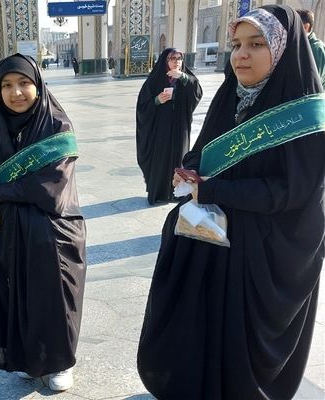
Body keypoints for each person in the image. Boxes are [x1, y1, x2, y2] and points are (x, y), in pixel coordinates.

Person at [137, 5, 325, 399]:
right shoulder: (230, 96)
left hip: (265, 250)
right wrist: (188, 170)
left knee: (238, 341)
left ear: (282, 48)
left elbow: (291, 192)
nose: (241, 54)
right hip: (214, 238)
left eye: (256, 44)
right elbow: (204, 151)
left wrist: (216, 190)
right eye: (236, 44)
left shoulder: (304, 114)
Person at [0, 53, 86, 392]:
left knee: (51, 299)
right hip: (4, 234)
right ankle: (27, 358)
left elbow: (53, 186)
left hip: (51, 235)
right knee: (14, 297)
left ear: (38, 86)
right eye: (7, 85)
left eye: (24, 83)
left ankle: (58, 361)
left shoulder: (57, 126)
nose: (16, 92)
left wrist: (2, 189)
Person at [135, 48, 203, 204]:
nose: (176, 61)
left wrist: (184, 78)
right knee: (160, 158)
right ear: (165, 61)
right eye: (173, 58)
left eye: (179, 58)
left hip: (180, 126)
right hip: (161, 129)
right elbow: (142, 106)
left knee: (179, 158)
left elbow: (197, 92)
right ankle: (158, 192)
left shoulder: (186, 77)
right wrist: (157, 100)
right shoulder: (155, 79)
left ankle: (177, 193)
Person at [297, 9, 325, 86]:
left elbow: (314, 84)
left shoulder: (316, 48)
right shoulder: (298, 44)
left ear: (306, 27)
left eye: (294, 26)